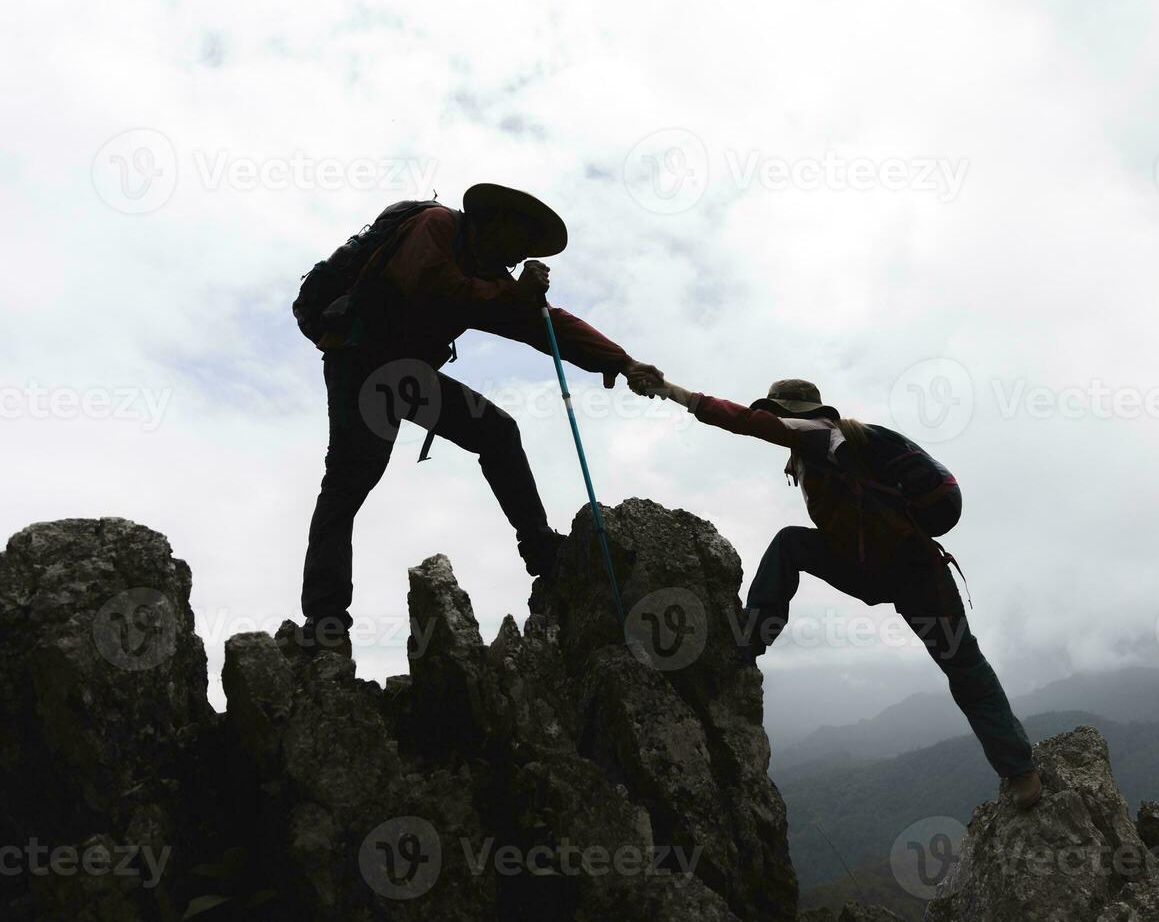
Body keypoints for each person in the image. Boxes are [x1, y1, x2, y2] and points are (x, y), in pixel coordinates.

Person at [638, 376, 1043, 808]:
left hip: (905, 571)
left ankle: (1020, 770)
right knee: (963, 667)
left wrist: (670, 390)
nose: (770, 419)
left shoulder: (820, 435)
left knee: (963, 667)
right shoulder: (822, 448)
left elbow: (742, 422)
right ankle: (1021, 774)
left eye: (775, 411)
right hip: (891, 570)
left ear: (792, 412)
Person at [299, 183, 661, 658]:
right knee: (349, 482)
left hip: (408, 374)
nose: (516, 255)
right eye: (517, 240)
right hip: (359, 361)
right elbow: (425, 282)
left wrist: (620, 361)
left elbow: (543, 323)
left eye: (523, 250)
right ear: (493, 221)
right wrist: (509, 295)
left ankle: (540, 548)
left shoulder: (488, 274)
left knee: (497, 431)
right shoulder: (438, 226)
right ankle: (324, 620)